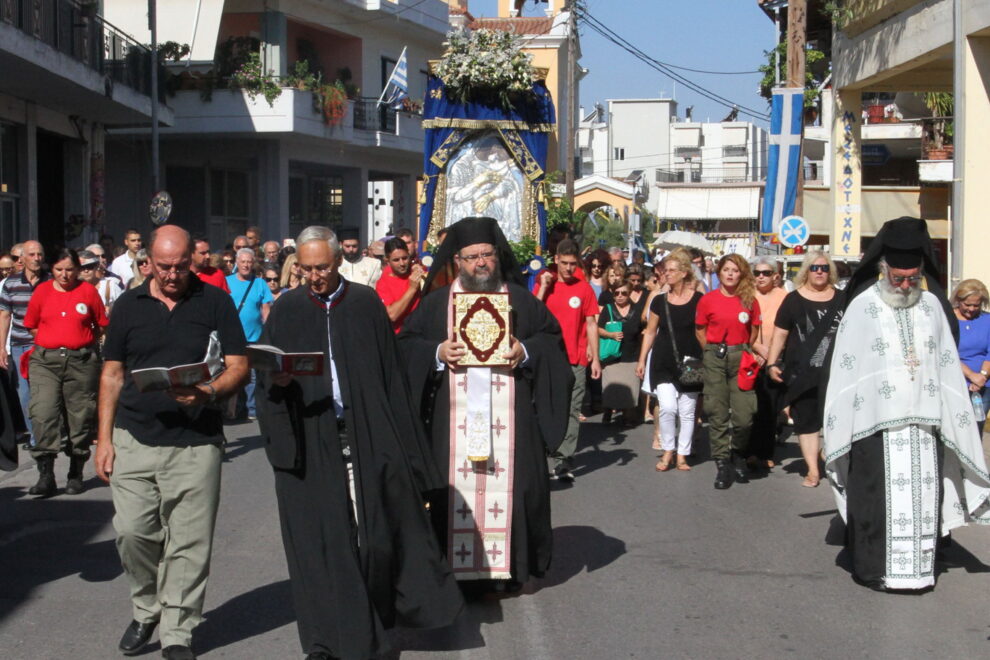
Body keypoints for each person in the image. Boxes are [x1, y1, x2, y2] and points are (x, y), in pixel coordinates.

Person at [254, 226, 462, 659]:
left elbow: (391, 378)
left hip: (365, 433)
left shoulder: (365, 304)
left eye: (323, 268)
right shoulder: (288, 309)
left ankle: (377, 626)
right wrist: (278, 383)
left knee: (375, 537)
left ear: (338, 262)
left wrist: (409, 452)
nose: (315, 277)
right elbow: (267, 380)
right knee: (321, 543)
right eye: (307, 269)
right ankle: (323, 640)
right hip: (311, 436)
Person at [94, 225, 249, 658]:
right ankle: (147, 608)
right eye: (164, 267)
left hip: (196, 441)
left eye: (181, 266)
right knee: (131, 533)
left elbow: (239, 365)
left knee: (189, 541)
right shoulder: (128, 305)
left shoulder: (214, 301)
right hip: (135, 437)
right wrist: (102, 440)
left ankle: (178, 628)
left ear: (192, 261)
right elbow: (111, 374)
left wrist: (209, 393)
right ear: (148, 262)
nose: (172, 275)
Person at [399, 216, 572, 590]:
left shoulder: (521, 301)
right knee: (450, 491)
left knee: (519, 489)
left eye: (488, 255)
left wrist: (525, 351)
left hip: (512, 419)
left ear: (498, 256)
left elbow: (552, 341)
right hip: (452, 423)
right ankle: (454, 577)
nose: (481, 263)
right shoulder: (435, 305)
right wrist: (437, 352)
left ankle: (507, 572)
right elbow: (405, 347)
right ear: (457, 261)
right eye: (472, 256)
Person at [823, 217, 990, 592]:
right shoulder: (863, 306)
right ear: (883, 270)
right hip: (874, 425)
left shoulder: (931, 305)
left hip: (923, 424)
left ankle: (919, 569)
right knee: (874, 500)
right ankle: (873, 570)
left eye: (911, 278)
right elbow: (847, 368)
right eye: (897, 278)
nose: (904, 286)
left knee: (924, 496)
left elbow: (946, 364)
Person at [22, 248, 108, 496]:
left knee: (80, 416)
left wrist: (80, 343)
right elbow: (32, 325)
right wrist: (52, 341)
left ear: (78, 270)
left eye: (70, 269)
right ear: (52, 270)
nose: (64, 275)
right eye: (59, 270)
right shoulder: (43, 291)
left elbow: (101, 325)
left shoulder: (88, 291)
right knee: (42, 412)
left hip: (80, 361)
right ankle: (46, 475)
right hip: (45, 361)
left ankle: (75, 472)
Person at [767, 251, 843, 487]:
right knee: (806, 422)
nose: (819, 271)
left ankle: (827, 454)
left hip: (837, 373)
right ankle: (812, 469)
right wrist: (771, 363)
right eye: (814, 268)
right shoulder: (793, 300)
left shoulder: (844, 298)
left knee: (837, 421)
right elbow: (780, 333)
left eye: (824, 267)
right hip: (802, 373)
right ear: (806, 271)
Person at [535, 238, 601, 481]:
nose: (569, 269)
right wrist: (542, 287)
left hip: (576, 358)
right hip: (549, 360)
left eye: (573, 264)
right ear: (556, 260)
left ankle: (564, 459)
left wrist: (595, 359)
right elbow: (533, 313)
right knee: (547, 407)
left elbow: (592, 323)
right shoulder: (547, 283)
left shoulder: (584, 288)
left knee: (573, 409)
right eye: (564, 263)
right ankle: (544, 451)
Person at [695, 254, 761, 490]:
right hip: (715, 356)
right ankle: (722, 462)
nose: (731, 274)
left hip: (741, 357)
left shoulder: (749, 300)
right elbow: (700, 330)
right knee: (716, 411)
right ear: (719, 273)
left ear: (741, 274)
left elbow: (754, 330)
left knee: (744, 416)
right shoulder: (707, 300)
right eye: (726, 270)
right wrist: (712, 352)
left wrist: (742, 348)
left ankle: (738, 453)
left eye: (735, 270)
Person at [638, 248, 703, 471]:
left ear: (685, 272)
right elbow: (650, 331)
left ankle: (682, 454)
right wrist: (641, 359)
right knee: (667, 407)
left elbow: (703, 332)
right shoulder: (659, 301)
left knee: (687, 411)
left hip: (691, 360)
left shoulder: (698, 300)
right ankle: (667, 450)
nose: (667, 274)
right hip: (663, 360)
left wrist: (709, 359)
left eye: (672, 270)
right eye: (665, 271)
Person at [0, 239, 49, 442]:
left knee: (46, 392)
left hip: (47, 344)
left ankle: (47, 432)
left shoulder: (50, 282)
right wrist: (1, 347)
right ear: (22, 258)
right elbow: (4, 316)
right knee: (24, 393)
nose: (36, 258)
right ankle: (36, 437)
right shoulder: (10, 284)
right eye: (32, 255)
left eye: (39, 254)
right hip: (20, 344)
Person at [748, 256, 788, 470]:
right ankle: (750, 451)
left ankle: (765, 452)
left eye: (765, 273)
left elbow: (787, 329)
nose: (761, 277)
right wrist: (757, 347)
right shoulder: (746, 296)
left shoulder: (785, 297)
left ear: (775, 276)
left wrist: (770, 353)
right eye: (757, 273)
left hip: (775, 359)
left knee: (770, 407)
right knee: (750, 407)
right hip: (751, 358)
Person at [227, 248, 272, 420]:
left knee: (252, 375)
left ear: (253, 263)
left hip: (255, 336)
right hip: (233, 336)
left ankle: (251, 409)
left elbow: (266, 310)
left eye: (249, 262)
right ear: (236, 263)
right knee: (233, 372)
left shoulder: (260, 283)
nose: (246, 265)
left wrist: (268, 334)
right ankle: (233, 410)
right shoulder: (227, 282)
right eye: (243, 261)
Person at [598, 277, 643, 426]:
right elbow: (597, 329)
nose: (620, 296)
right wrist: (610, 335)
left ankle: (628, 416)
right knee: (611, 386)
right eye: (616, 293)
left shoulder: (637, 310)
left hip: (632, 354)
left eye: (624, 293)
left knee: (631, 386)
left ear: (629, 293)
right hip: (611, 355)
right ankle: (608, 410)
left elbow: (644, 331)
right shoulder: (608, 308)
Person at [953, 279, 990, 434]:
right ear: (958, 300)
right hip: (955, 381)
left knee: (976, 430)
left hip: (983, 384)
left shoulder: (987, 320)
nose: (972, 309)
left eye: (976, 305)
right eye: (967, 304)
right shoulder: (948, 319)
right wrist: (970, 375)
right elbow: (947, 352)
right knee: (956, 429)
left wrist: (981, 376)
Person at [375, 237, 423, 334]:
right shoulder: (382, 283)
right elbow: (392, 315)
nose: (402, 263)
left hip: (421, 332)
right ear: (387, 261)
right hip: (400, 336)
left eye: (405, 258)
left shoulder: (417, 272)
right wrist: (412, 289)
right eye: (396, 260)